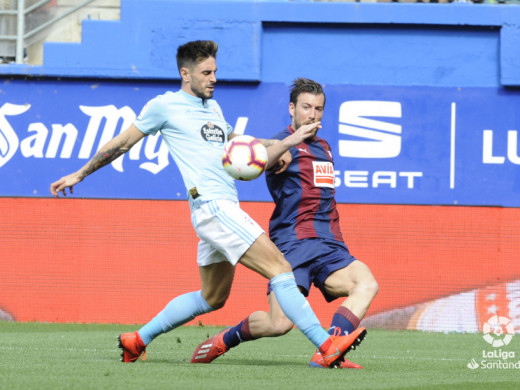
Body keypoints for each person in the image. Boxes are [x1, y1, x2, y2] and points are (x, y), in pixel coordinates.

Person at [49, 41, 366, 367]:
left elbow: (238, 144)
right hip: (214, 206)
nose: (214, 78)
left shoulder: (212, 109)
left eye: (215, 71)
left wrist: (280, 143)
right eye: (206, 72)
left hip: (216, 210)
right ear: (185, 74)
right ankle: (327, 346)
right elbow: (122, 143)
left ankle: (137, 340)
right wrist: (81, 173)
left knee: (212, 297)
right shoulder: (164, 105)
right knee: (281, 269)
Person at [191, 78, 378, 368]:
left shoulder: (325, 147)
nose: (312, 114)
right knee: (278, 324)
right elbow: (260, 163)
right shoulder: (279, 146)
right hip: (293, 244)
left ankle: (328, 351)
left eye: (318, 108)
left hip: (329, 244)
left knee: (366, 284)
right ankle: (225, 339)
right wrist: (288, 143)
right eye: (305, 107)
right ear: (292, 108)